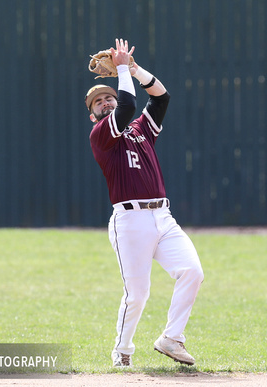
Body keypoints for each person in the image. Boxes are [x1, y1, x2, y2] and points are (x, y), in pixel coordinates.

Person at [85, 39, 204, 367]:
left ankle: (171, 339)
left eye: (107, 96)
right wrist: (121, 69)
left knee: (192, 271)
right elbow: (126, 108)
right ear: (92, 115)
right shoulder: (102, 137)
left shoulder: (140, 131)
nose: (105, 102)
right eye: (98, 102)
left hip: (162, 217)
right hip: (130, 222)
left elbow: (162, 97)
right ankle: (122, 351)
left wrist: (134, 70)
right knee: (137, 295)